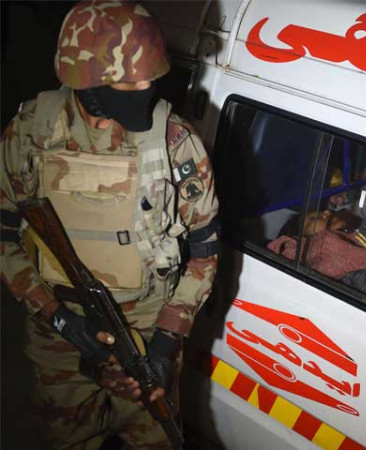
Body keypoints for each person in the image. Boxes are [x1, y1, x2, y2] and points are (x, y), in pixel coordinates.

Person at [0, 1, 219, 448]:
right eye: (130, 81)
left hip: (146, 335)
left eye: (149, 78)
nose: (146, 88)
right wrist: (59, 318)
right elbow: (4, 239)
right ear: (89, 82)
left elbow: (205, 252)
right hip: (57, 339)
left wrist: (166, 343)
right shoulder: (29, 134)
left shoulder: (175, 143)